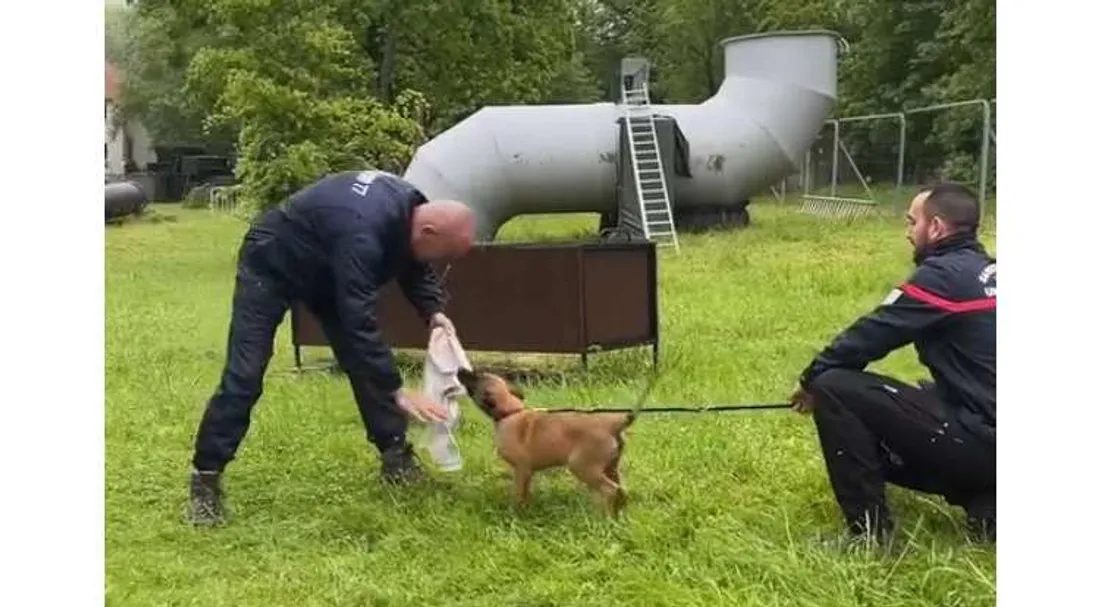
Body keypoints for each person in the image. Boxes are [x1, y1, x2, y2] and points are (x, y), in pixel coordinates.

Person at [188, 169, 477, 526]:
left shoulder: (410, 208)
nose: (437, 262)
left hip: (329, 268)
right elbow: (359, 320)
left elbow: (414, 264)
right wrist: (395, 389)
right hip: (272, 263)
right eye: (442, 254)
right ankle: (205, 480)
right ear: (428, 231)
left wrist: (434, 312)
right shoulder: (362, 233)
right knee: (245, 373)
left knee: (362, 362)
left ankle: (396, 459)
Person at [790, 182, 996, 544]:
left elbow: (870, 335)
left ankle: (868, 536)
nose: (907, 233)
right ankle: (989, 501)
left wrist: (810, 380)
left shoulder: (942, 277)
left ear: (935, 227)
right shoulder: (989, 274)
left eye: (911, 222)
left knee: (835, 387)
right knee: (926, 394)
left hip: (987, 443)